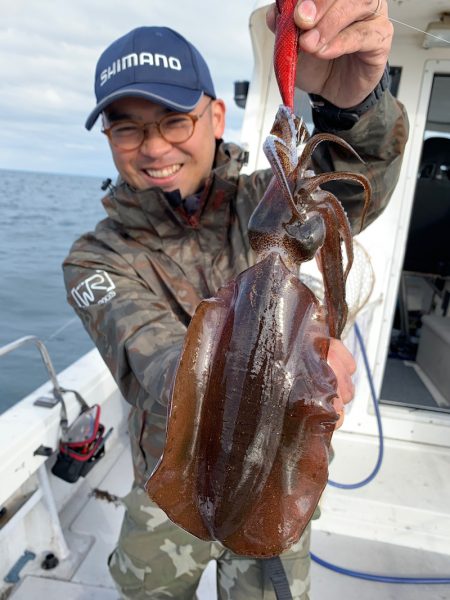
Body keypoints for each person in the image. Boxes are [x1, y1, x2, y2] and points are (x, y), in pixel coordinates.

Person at [63, 1, 408, 598]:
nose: (153, 147)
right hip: (168, 477)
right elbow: (162, 367)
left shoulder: (264, 202)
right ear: (109, 137)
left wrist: (353, 107)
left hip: (276, 470)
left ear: (216, 115)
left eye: (174, 120)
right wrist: (295, 367)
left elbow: (359, 182)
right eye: (128, 126)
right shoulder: (96, 259)